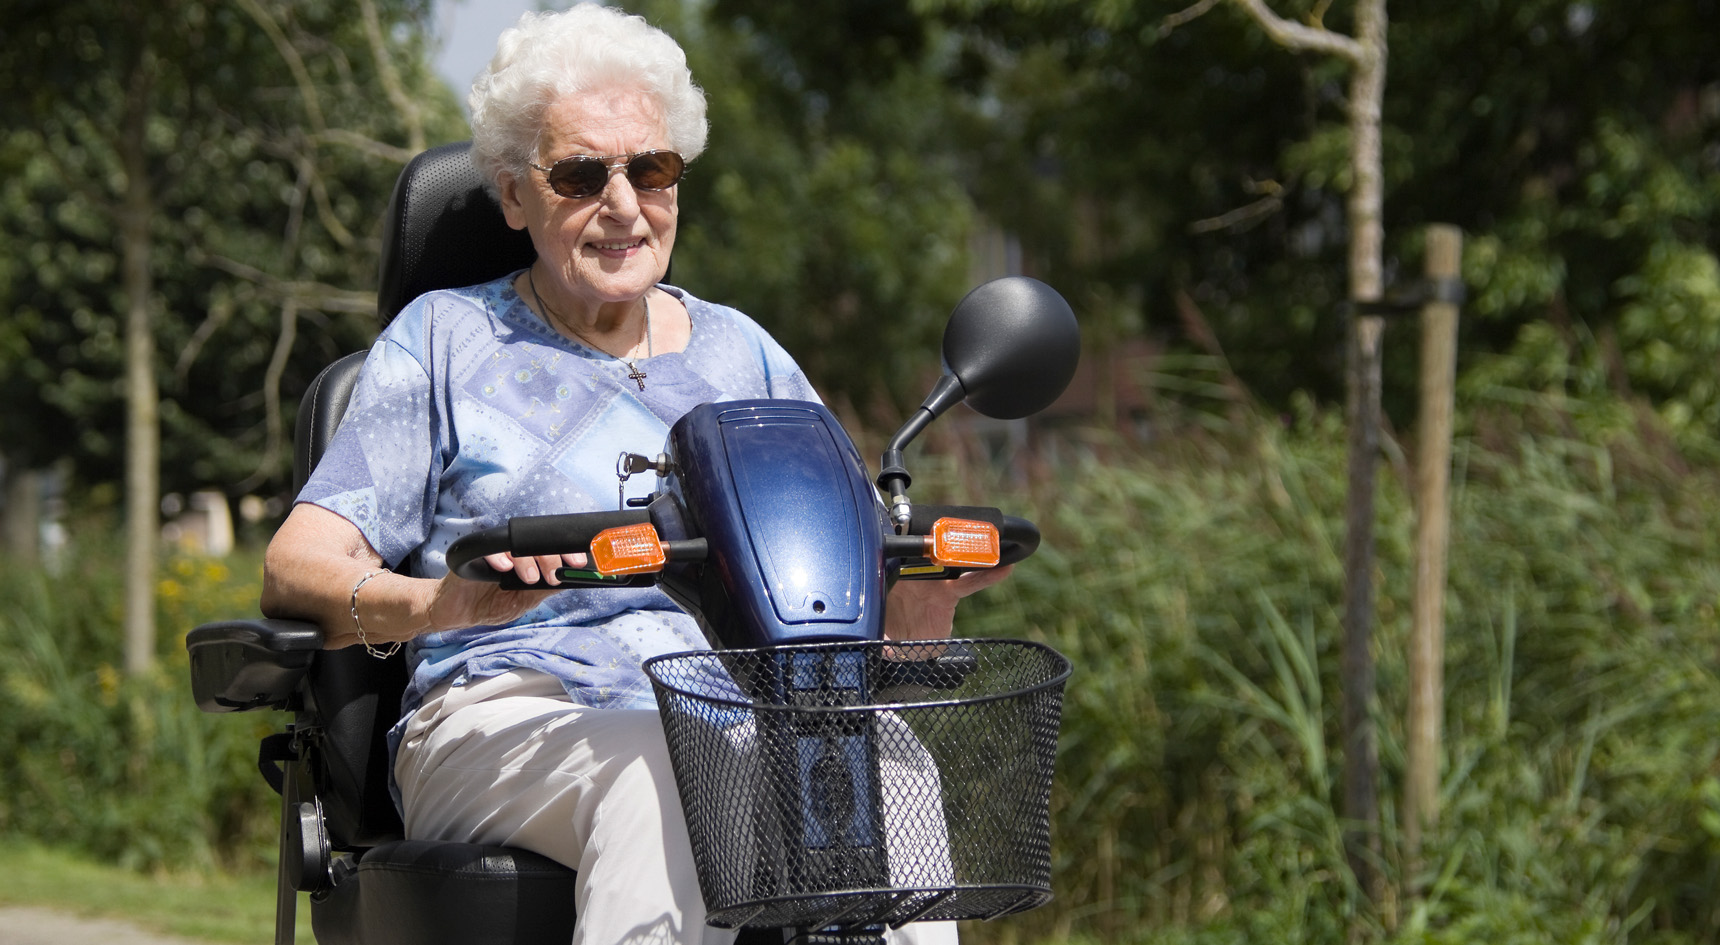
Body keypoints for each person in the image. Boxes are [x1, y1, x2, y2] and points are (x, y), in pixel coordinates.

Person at [259, 7, 1007, 945]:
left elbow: (839, 599)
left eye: (649, 169)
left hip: (737, 709)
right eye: (580, 174)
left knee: (891, 770)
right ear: (513, 196)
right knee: (670, 771)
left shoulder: (747, 355)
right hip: (506, 706)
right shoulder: (442, 340)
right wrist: (440, 605)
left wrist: (920, 615)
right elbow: (299, 565)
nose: (623, 204)